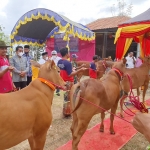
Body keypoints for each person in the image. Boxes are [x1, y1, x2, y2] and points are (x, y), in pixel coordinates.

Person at [57, 47, 86, 117]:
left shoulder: (59, 62)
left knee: (66, 97)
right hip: (69, 82)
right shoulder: (68, 63)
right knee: (69, 98)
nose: (69, 54)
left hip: (63, 81)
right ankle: (67, 113)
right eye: (69, 52)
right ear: (66, 54)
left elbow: (60, 71)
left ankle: (65, 111)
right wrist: (80, 70)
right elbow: (70, 74)